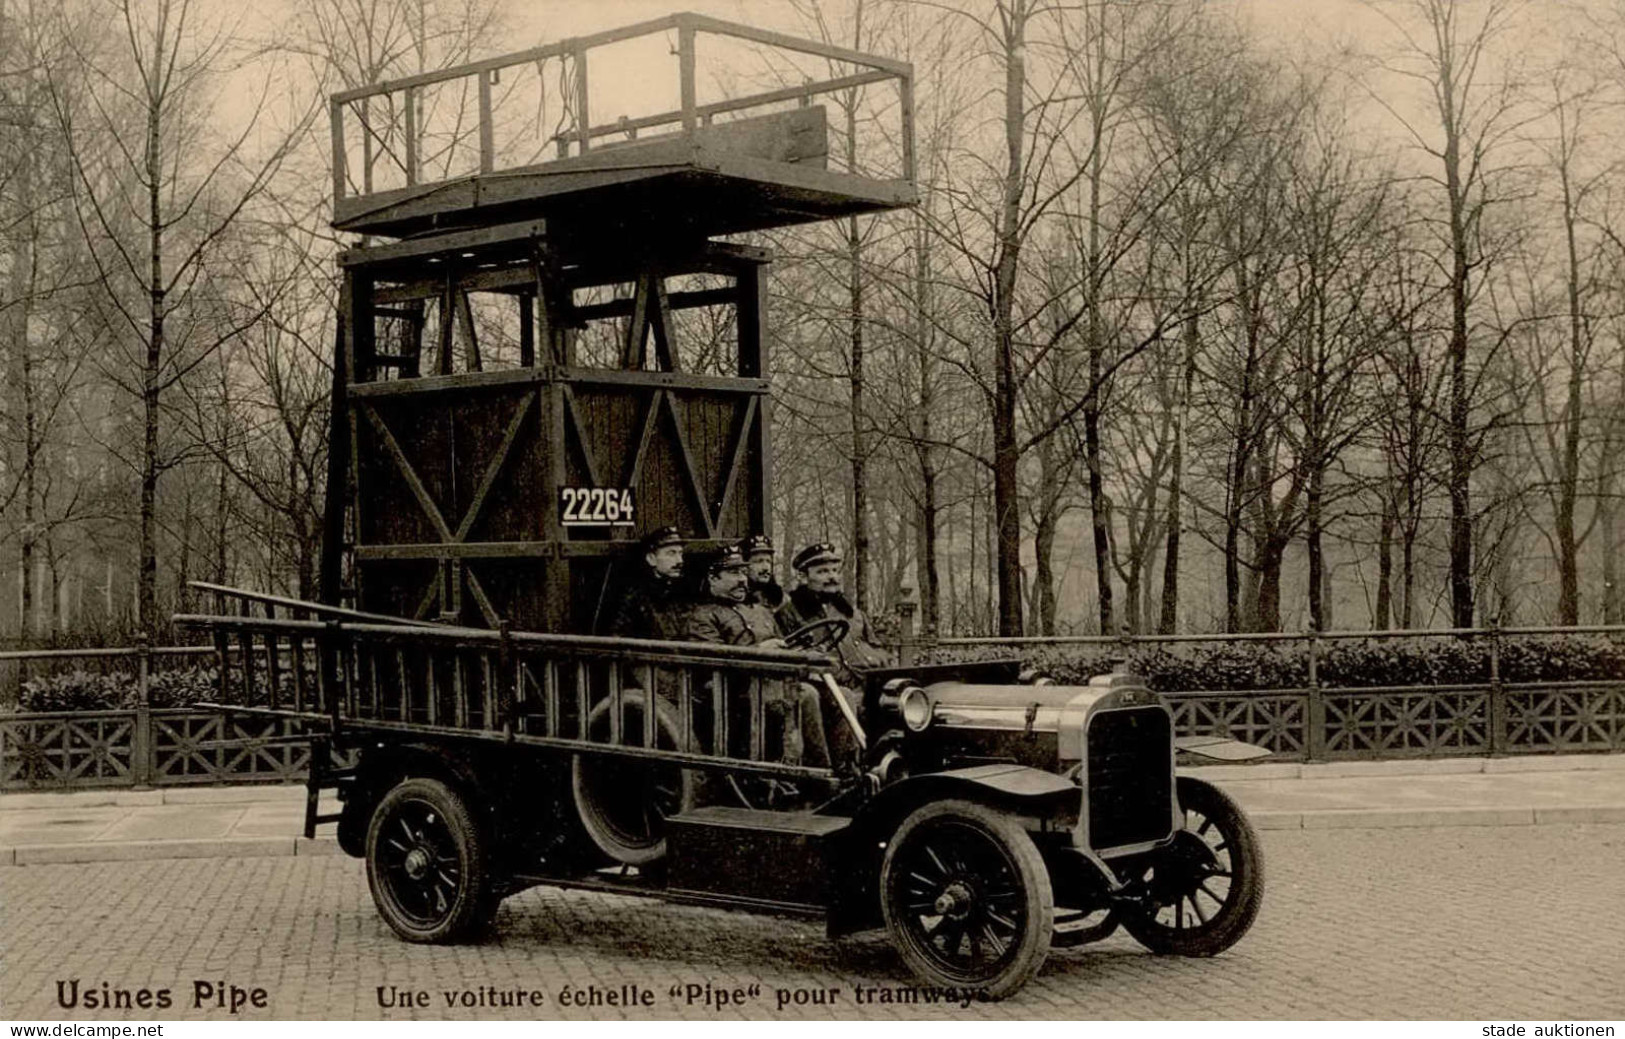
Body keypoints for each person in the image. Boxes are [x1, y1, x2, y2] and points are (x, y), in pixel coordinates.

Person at [686, 545, 833, 768]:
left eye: (744, 573)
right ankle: (813, 774)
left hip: (771, 683)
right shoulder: (703, 616)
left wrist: (803, 656)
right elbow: (710, 663)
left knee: (840, 694)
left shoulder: (759, 611)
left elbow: (784, 645)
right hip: (732, 692)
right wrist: (760, 651)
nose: (743, 580)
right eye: (734, 573)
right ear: (713, 578)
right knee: (805, 695)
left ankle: (847, 767)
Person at [777, 541, 891, 674]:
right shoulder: (789, 614)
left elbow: (878, 649)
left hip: (867, 683)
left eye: (835, 570)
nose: (832, 577)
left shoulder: (854, 613)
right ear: (803, 578)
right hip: (827, 686)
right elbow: (789, 659)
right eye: (823, 571)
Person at [607, 526, 690, 640]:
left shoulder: (682, 594)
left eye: (680, 553)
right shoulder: (634, 598)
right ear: (651, 559)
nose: (680, 561)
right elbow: (618, 639)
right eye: (671, 553)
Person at [739, 534, 785, 610]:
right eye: (759, 561)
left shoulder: (782, 601)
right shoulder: (738, 599)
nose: (766, 568)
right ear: (745, 566)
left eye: (768, 561)